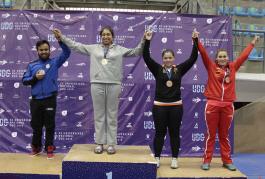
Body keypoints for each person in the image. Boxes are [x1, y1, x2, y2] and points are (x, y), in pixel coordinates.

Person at [52, 26, 146, 154]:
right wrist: (61, 37)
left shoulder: (119, 49)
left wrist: (144, 40)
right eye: (104, 34)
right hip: (97, 84)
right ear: (100, 36)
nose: (106, 37)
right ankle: (100, 143)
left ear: (112, 36)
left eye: (108, 34)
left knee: (112, 115)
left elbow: (137, 52)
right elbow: (75, 46)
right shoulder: (93, 48)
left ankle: (111, 144)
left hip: (114, 84)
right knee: (99, 115)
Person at [198, 34, 259, 171]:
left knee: (224, 135)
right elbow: (202, 53)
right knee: (211, 135)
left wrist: (252, 43)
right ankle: (207, 160)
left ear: (228, 58)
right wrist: (196, 40)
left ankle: (226, 160)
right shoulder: (211, 67)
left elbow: (243, 56)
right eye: (220, 56)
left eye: (225, 56)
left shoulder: (233, 67)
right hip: (212, 104)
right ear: (216, 58)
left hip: (227, 105)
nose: (223, 58)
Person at [143, 29, 199, 169]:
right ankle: (157, 157)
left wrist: (195, 40)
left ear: (173, 58)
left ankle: (174, 158)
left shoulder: (179, 69)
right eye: (165, 58)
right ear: (163, 59)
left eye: (170, 57)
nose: (168, 59)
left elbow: (192, 58)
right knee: (160, 133)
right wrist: (147, 40)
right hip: (160, 106)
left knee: (174, 133)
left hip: (176, 106)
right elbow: (146, 57)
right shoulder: (157, 69)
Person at [22, 33, 71, 159]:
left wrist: (60, 40)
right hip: (36, 100)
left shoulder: (55, 62)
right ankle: (36, 147)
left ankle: (49, 148)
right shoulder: (32, 65)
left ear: (50, 50)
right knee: (36, 126)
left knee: (49, 125)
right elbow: (24, 80)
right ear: (37, 51)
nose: (44, 51)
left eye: (46, 49)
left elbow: (67, 53)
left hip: (50, 99)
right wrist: (35, 77)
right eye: (41, 50)